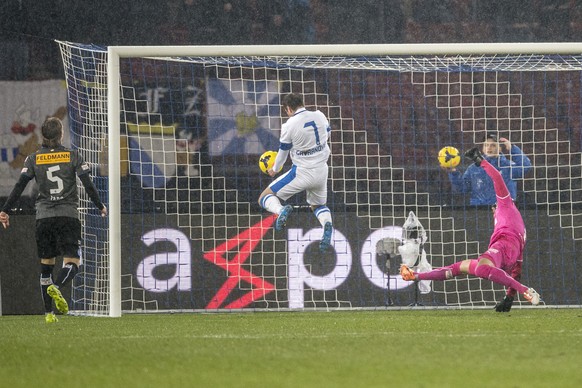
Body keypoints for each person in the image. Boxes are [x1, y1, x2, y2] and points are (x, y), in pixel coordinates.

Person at [401, 147, 540, 311]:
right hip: (508, 254)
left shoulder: (506, 203)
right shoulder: (516, 225)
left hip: (504, 246)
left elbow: (497, 178)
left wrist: (481, 161)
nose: (492, 209)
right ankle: (415, 276)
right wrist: (509, 298)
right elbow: (517, 268)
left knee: (481, 267)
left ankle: (525, 290)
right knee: (457, 268)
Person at [0, 117, 107, 323]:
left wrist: (5, 211)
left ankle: (48, 314)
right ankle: (56, 287)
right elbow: (88, 185)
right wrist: (99, 205)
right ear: (61, 134)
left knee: (46, 265)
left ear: (43, 135)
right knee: (73, 261)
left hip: (44, 217)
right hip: (67, 215)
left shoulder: (33, 159)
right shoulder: (72, 156)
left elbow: (19, 186)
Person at [258, 93, 333, 252]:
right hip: (322, 170)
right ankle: (327, 223)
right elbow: (327, 134)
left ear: (288, 109)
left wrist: (275, 169)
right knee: (318, 205)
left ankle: (281, 210)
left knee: (264, 197)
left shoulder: (289, 125)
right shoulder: (320, 115)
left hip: (302, 172)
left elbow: (283, 152)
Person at [446, 133, 532, 206]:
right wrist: (453, 173)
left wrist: (512, 148)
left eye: (493, 145)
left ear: (500, 148)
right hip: (479, 212)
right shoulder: (474, 168)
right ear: (483, 148)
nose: (489, 148)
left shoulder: (508, 167)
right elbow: (462, 188)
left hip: (503, 211)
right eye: (486, 145)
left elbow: (526, 166)